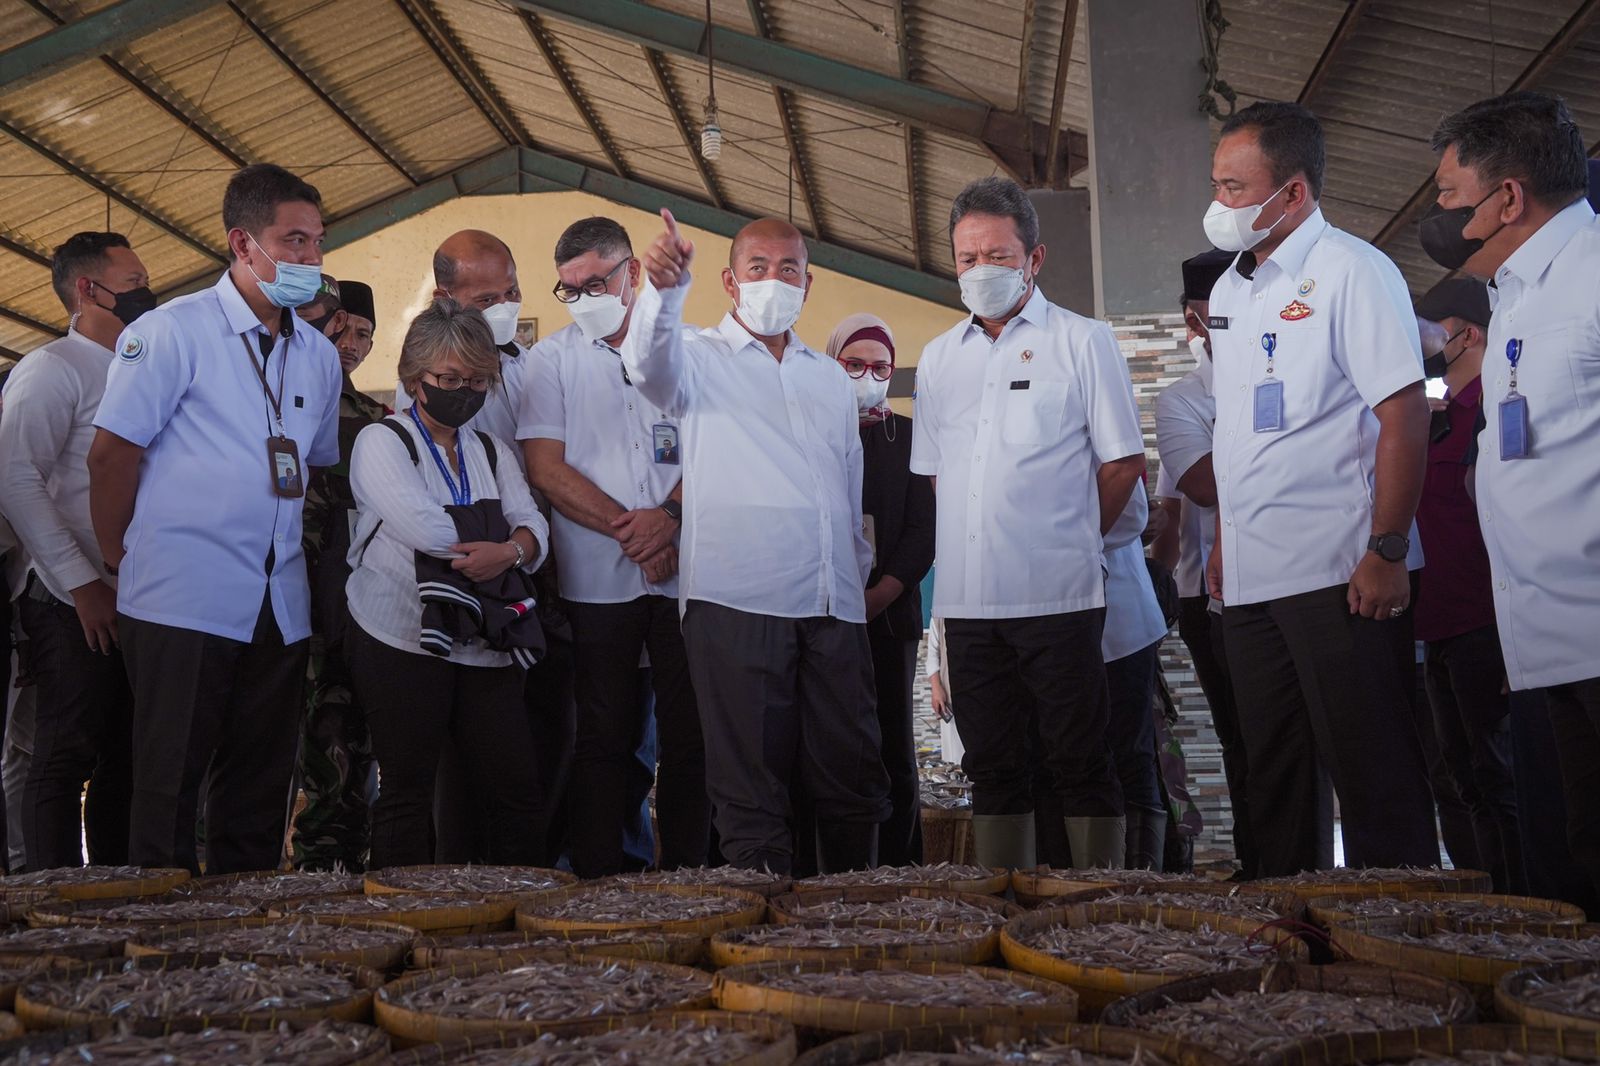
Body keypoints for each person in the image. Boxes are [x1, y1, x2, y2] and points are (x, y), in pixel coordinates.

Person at [86, 164, 342, 875]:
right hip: (182, 597)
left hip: (277, 603)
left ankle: (245, 943)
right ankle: (161, 946)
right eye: (293, 241)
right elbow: (110, 459)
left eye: (318, 242)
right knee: (167, 789)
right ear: (242, 242)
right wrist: (120, 560)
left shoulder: (318, 356)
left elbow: (311, 465)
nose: (310, 260)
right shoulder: (172, 333)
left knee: (260, 791)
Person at [1203, 101, 1437, 875]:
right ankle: (1290, 945)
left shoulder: (1352, 271)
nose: (1220, 205)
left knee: (1373, 776)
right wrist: (1224, 546)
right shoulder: (1235, 289)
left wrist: (1388, 548)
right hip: (1254, 578)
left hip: (1343, 570)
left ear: (1294, 192)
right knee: (1274, 775)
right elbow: (1238, 431)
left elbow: (1404, 416)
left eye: (1236, 188)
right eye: (1218, 185)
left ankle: (1397, 944)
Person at [623, 209, 890, 874]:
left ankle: (857, 925)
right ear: (730, 280)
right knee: (750, 791)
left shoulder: (829, 378)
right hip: (738, 603)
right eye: (759, 268)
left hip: (832, 607)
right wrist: (663, 289)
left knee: (851, 779)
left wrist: (854, 585)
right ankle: (764, 948)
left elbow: (848, 489)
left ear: (808, 281)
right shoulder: (695, 358)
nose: (775, 279)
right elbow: (646, 366)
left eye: (789, 268)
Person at [911, 176, 1146, 870]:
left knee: (1079, 757)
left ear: (1034, 259)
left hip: (1059, 596)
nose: (981, 270)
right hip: (968, 604)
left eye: (999, 255)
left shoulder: (1082, 341)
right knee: (992, 765)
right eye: (967, 258)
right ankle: (1003, 903)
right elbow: (936, 475)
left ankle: (1095, 904)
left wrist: (1074, 543)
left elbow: (1124, 464)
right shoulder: (939, 359)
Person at [1422, 90, 1600, 900]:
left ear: (1508, 199)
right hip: (1535, 639)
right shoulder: (1514, 295)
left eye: (1450, 198)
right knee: (1563, 878)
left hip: (1593, 629)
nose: (1441, 217)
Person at [521, 216, 708, 878]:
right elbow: (546, 468)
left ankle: (692, 875)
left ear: (632, 274)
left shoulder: (687, 348)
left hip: (686, 575)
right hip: (598, 580)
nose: (582, 300)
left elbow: (716, 449)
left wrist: (670, 517)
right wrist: (637, 531)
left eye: (594, 283)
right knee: (606, 737)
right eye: (569, 290)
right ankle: (605, 877)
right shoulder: (550, 361)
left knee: (691, 738)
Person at [347, 299, 549, 869]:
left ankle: (514, 910)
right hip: (401, 635)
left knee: (515, 790)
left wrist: (510, 549)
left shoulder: (489, 448)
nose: (466, 390)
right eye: (450, 378)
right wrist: (507, 549)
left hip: (484, 644)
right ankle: (400, 917)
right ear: (414, 380)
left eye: (479, 380)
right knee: (407, 792)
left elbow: (532, 523)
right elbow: (425, 528)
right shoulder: (383, 441)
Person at [0, 232, 148, 872]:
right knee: (64, 753)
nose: (147, 293)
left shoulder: (140, 368)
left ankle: (115, 893)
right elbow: (14, 476)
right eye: (134, 281)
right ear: (88, 289)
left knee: (125, 753)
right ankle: (51, 896)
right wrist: (81, 583)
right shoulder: (53, 367)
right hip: (69, 600)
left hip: (136, 591)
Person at [1154, 247, 1266, 878]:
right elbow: (1187, 494)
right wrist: (1158, 583)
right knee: (1238, 734)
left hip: (1291, 574)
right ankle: (1256, 863)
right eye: (1208, 313)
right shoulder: (1185, 400)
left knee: (1286, 736)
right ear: (1194, 320)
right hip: (1208, 591)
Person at [1409, 276, 1524, 894]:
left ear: (1466, 334)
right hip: (1435, 620)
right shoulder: (1433, 417)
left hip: (1483, 616)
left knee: (1497, 771)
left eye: (1428, 336)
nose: (1421, 348)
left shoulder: (1492, 407)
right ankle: (1479, 901)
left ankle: (1524, 900)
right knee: (1459, 777)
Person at [824, 312, 935, 866]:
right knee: (829, 740)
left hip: (888, 616)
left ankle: (899, 867)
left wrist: (879, 595)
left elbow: (923, 531)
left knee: (893, 741)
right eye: (854, 365)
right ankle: (837, 866)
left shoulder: (910, 438)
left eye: (880, 367)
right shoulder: (816, 433)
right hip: (819, 614)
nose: (868, 375)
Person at [293, 279, 385, 871]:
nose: (351, 344)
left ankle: (331, 875)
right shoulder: (272, 401)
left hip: (342, 617)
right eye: (342, 328)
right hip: (263, 607)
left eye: (365, 335)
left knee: (343, 750)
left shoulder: (376, 423)